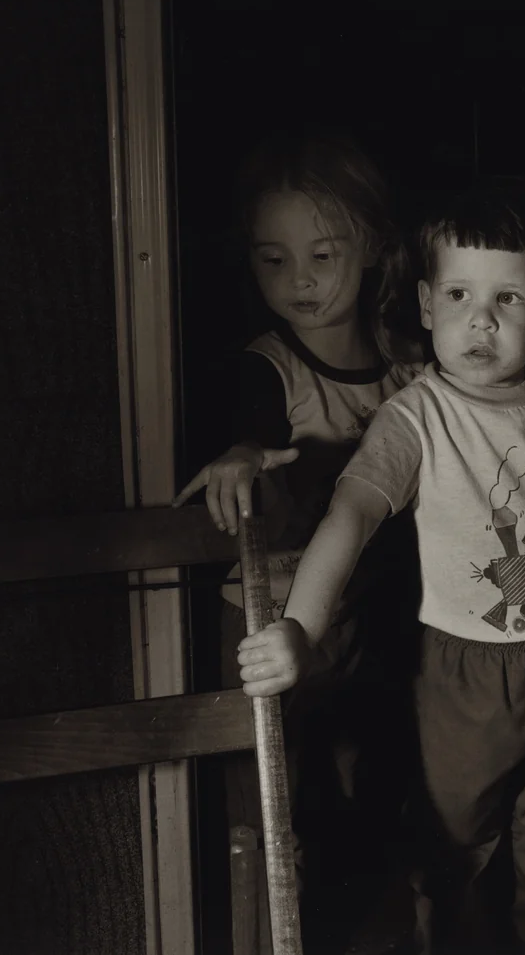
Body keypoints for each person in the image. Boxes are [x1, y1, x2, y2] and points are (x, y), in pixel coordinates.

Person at [237, 180, 525, 955]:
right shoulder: (416, 418)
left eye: (508, 298)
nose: (480, 317)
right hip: (471, 673)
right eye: (458, 293)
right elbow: (347, 518)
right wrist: (299, 623)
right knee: (456, 846)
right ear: (426, 305)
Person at [172, 130, 423, 909]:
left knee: (376, 780)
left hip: (370, 614)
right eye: (271, 259)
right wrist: (242, 454)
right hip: (271, 618)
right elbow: (251, 433)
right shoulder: (267, 363)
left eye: (321, 254)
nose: (298, 280)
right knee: (279, 802)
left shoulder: (404, 357)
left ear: (376, 245)